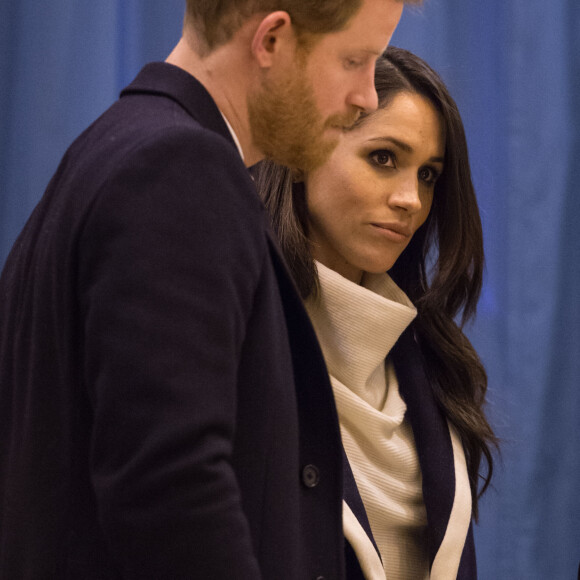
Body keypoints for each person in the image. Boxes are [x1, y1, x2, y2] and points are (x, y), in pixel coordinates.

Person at [0, 1, 411, 578]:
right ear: (271, 40)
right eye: (354, 60)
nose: (367, 95)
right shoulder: (179, 170)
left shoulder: (108, 155)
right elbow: (171, 486)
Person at [256, 46, 498, 579]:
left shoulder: (434, 365)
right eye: (384, 158)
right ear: (301, 153)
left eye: (429, 175)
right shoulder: (241, 344)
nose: (411, 198)